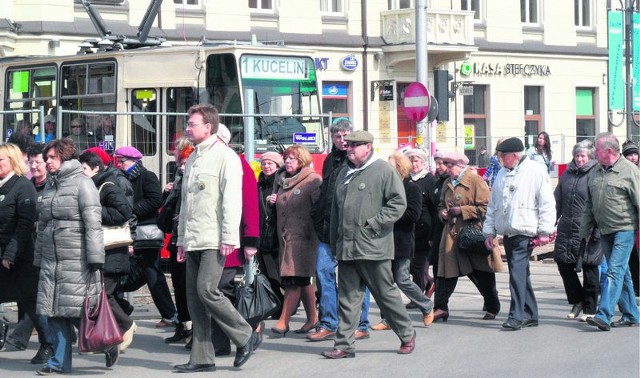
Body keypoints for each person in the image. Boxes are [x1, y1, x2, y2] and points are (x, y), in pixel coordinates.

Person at [174, 103, 255, 372]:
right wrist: (182, 240)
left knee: (207, 290)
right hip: (194, 238)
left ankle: (245, 335)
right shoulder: (195, 155)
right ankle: (201, 357)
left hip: (214, 237)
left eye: (192, 123)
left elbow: (232, 200)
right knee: (194, 298)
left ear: (208, 127)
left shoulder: (225, 156)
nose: (188, 127)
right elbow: (187, 203)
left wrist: (231, 236)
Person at [322, 130, 415, 359]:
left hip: (373, 247)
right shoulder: (344, 172)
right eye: (348, 145)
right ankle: (344, 345)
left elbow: (398, 203)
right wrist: (335, 244)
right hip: (347, 248)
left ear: (368, 147)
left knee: (386, 295)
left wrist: (375, 223)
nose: (349, 148)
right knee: (348, 298)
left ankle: (407, 334)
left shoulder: (383, 170)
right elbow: (336, 212)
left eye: (355, 145)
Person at [34, 138, 110, 375]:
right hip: (51, 258)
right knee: (55, 311)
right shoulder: (51, 185)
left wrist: (96, 258)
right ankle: (59, 363)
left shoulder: (82, 183)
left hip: (76, 256)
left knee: (78, 312)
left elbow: (93, 223)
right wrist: (38, 256)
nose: (47, 162)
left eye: (51, 158)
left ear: (64, 158)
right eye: (46, 158)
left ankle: (108, 343)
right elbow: (43, 223)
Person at [483, 137, 556, 330]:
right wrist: (489, 232)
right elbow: (493, 206)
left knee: (516, 273)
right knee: (521, 274)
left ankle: (516, 315)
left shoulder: (534, 171)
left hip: (525, 230)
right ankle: (530, 314)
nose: (499, 158)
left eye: (502, 155)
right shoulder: (501, 175)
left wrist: (544, 231)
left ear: (514, 156)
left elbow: (547, 203)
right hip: (508, 231)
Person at [308, 119, 372, 342]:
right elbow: (326, 193)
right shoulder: (329, 160)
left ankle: (362, 324)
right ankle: (329, 323)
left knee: (359, 277)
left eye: (346, 136)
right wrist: (318, 218)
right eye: (338, 137)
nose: (343, 141)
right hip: (328, 228)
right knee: (323, 272)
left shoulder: (359, 160)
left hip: (353, 230)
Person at [78, 150, 137, 352]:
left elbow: (124, 212)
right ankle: (114, 332)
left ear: (96, 168)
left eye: (84, 169)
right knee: (103, 294)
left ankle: (125, 325)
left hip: (112, 251)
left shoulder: (108, 186)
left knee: (103, 294)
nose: (81, 173)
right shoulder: (92, 186)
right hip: (103, 251)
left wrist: (93, 211)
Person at [210, 124, 261, 355]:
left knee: (219, 290)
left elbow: (250, 204)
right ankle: (218, 343)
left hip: (231, 241)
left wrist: (251, 240)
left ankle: (241, 337)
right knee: (214, 291)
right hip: (214, 240)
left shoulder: (237, 163)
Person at [114, 145, 178, 327]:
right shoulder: (121, 178)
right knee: (126, 271)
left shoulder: (147, 176)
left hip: (145, 233)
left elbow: (155, 200)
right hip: (130, 231)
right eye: (118, 161)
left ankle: (169, 314)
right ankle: (122, 309)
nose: (119, 164)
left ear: (133, 161)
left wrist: (129, 210)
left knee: (152, 272)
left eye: (122, 161)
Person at [433, 151, 501, 322]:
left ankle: (492, 305)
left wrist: (462, 210)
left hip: (473, 234)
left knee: (481, 272)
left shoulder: (476, 180)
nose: (446, 169)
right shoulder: (448, 182)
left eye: (450, 166)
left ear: (461, 165)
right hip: (451, 234)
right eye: (445, 165)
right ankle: (441, 307)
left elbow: (487, 207)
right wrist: (443, 212)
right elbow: (441, 203)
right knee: (446, 272)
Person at [581, 132, 639, 331]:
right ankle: (632, 314)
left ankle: (603, 315)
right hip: (604, 229)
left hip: (625, 228)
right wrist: (584, 230)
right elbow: (589, 204)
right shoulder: (596, 171)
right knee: (623, 274)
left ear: (608, 151)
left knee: (614, 271)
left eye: (596, 150)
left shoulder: (630, 171)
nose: (593, 153)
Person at [0, 143, 51, 363]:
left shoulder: (22, 186)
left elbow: (25, 223)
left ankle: (49, 344)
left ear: (12, 161)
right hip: (3, 255)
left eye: (0, 159)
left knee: (32, 304)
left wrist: (10, 254)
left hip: (19, 257)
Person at [372, 152, 433, 330]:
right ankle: (388, 319)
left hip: (402, 241)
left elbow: (413, 215)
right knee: (385, 281)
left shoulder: (411, 188)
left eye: (391, 165)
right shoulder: (384, 187)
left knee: (402, 279)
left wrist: (387, 216)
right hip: (384, 240)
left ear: (400, 168)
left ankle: (426, 305)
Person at [270, 144, 321, 336]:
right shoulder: (281, 180)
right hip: (285, 238)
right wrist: (271, 200)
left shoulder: (313, 180)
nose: (288, 161)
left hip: (304, 239)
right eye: (286, 157)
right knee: (302, 279)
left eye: (293, 158)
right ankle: (312, 318)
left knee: (294, 280)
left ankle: (284, 321)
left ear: (302, 161)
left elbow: (319, 209)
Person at [553, 140, 601, 320]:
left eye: (583, 156)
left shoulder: (596, 173)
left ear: (590, 157)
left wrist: (597, 229)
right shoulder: (566, 174)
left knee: (590, 268)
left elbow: (598, 203)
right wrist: (551, 222)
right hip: (566, 228)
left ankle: (590, 309)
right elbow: (557, 200)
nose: (579, 159)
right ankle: (577, 300)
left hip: (587, 229)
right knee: (563, 264)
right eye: (577, 155)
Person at [161, 138, 194, 345]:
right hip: (176, 234)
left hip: (188, 236)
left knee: (187, 284)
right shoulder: (180, 175)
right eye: (179, 161)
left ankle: (193, 329)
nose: (181, 165)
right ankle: (184, 325)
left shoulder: (191, 175)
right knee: (179, 284)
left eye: (183, 161)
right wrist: (169, 192)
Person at [405, 148, 437, 302]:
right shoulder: (407, 179)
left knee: (418, 266)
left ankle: (417, 299)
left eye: (416, 160)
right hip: (410, 230)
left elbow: (434, 207)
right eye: (411, 160)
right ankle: (429, 282)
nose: (413, 164)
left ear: (423, 162)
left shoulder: (429, 180)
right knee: (410, 266)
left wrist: (433, 233)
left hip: (425, 230)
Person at [256, 151, 285, 319]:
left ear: (277, 166)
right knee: (267, 273)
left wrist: (278, 200)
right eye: (264, 164)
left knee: (279, 274)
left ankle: (287, 305)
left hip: (278, 234)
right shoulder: (259, 185)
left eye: (270, 164)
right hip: (263, 234)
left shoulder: (282, 184)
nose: (266, 167)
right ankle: (276, 306)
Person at [621, 139, 639, 297]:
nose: (633, 157)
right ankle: (636, 287)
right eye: (629, 155)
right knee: (632, 257)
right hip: (627, 221)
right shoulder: (621, 172)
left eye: (635, 154)